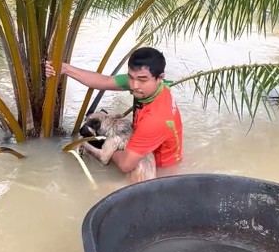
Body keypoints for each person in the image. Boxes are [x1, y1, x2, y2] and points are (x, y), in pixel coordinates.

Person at [45, 47, 183, 175]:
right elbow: (103, 81)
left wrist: (101, 144)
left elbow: (125, 165)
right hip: (146, 145)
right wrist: (63, 68)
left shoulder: (156, 118)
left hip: (160, 170)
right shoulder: (147, 86)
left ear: (160, 77)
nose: (134, 85)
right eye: (130, 77)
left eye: (142, 79)